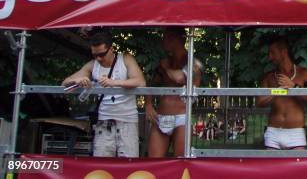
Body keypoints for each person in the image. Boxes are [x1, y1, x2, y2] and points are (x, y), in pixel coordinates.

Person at [62, 29, 145, 157]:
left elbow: (140, 82)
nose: (99, 59)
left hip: (127, 121)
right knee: (102, 164)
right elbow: (65, 83)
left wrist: (114, 83)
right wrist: (77, 80)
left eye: (102, 54)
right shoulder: (93, 65)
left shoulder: (125, 59)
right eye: (95, 55)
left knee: (128, 164)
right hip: (103, 122)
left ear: (111, 49)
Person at [256, 37, 307, 150]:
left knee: (298, 167)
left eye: (272, 53)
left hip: (296, 134)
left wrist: (294, 87)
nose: (269, 57)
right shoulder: (269, 77)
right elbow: (259, 102)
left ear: (283, 52)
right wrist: (277, 91)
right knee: (271, 167)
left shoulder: (304, 73)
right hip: (273, 133)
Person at [146, 28, 202, 157]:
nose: (163, 40)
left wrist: (166, 68)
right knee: (154, 161)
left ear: (177, 39)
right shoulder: (166, 61)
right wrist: (148, 104)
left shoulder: (194, 62)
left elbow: (179, 77)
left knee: (181, 161)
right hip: (161, 116)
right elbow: (151, 84)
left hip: (182, 117)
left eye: (166, 37)